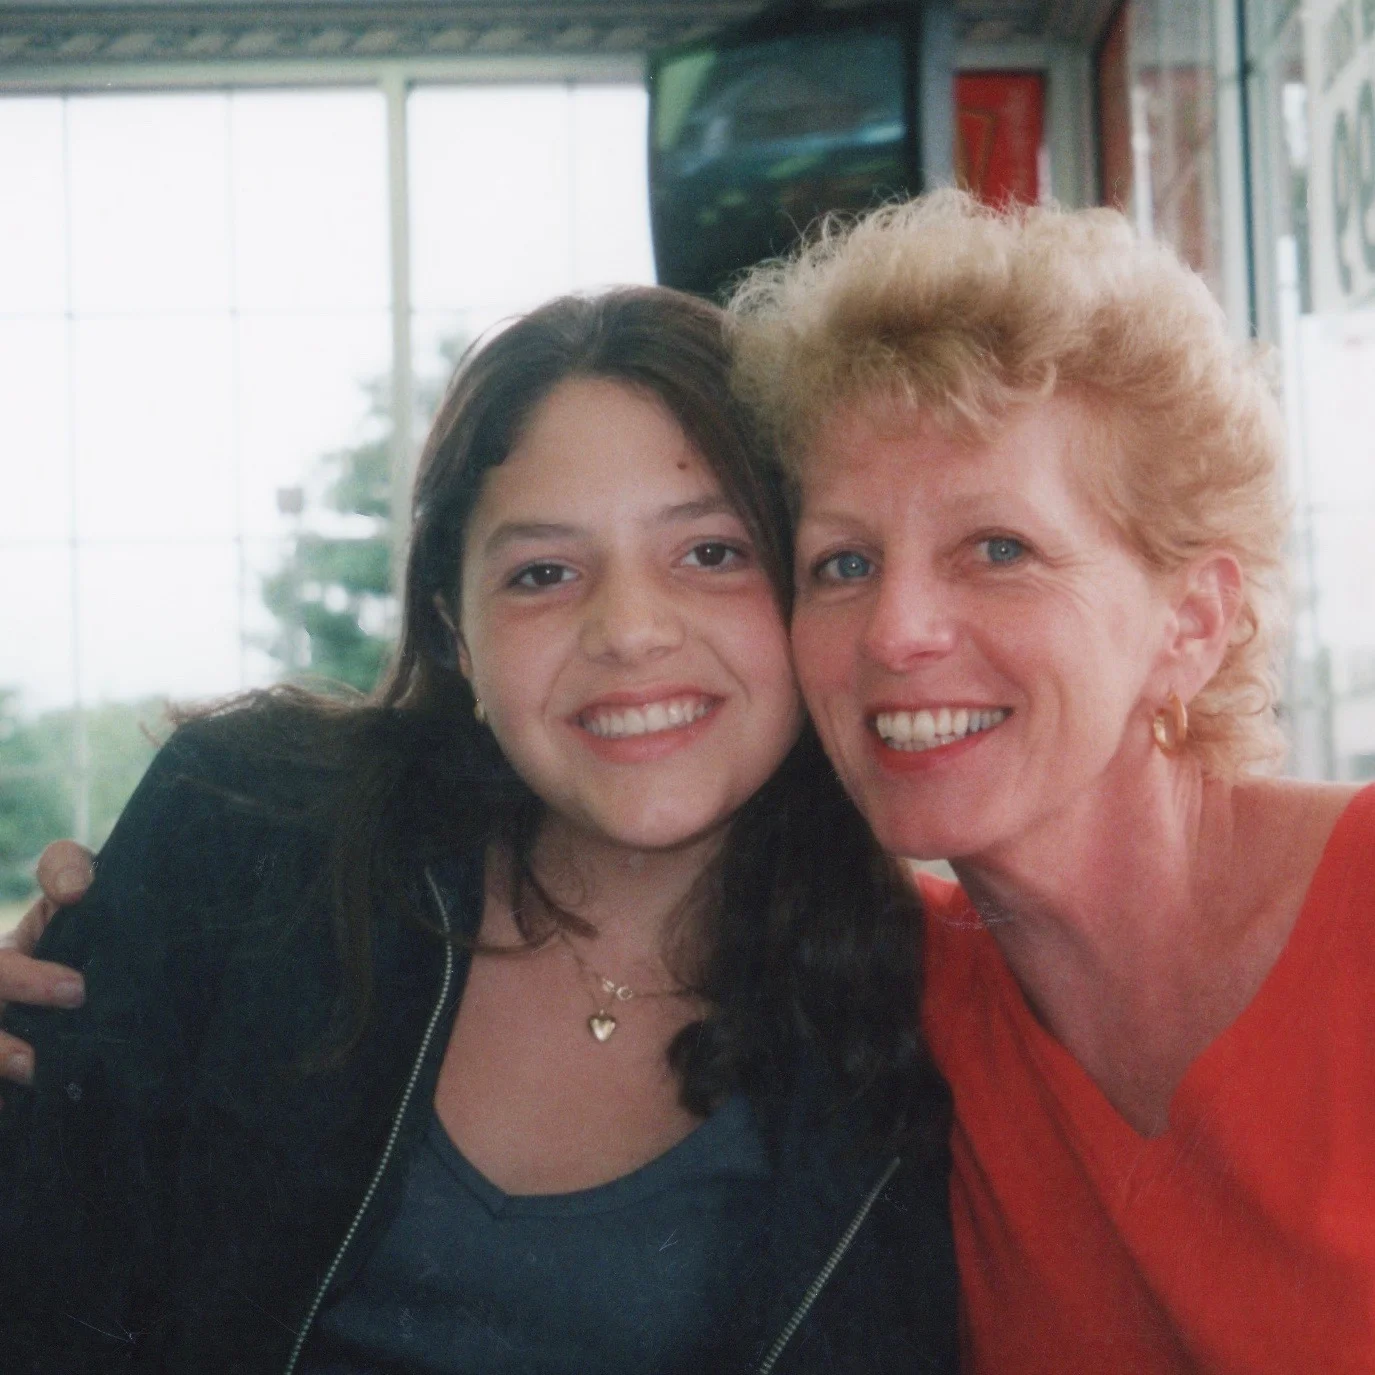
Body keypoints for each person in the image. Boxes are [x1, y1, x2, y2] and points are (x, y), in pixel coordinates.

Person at [0, 287, 957, 1374]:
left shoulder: (929, 1002)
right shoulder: (246, 833)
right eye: (543, 573)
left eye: (710, 552)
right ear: (455, 632)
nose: (629, 630)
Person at [728, 189, 1375, 1372]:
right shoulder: (890, 996)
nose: (895, 630)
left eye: (998, 549)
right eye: (844, 563)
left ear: (1190, 623)